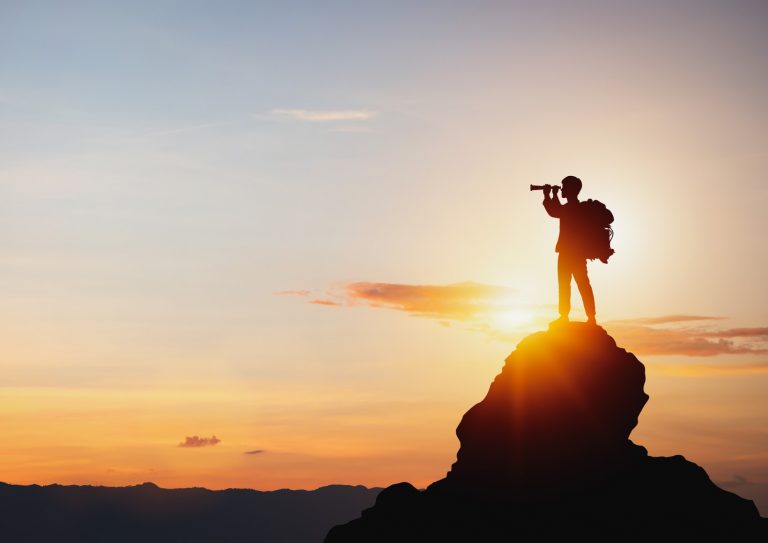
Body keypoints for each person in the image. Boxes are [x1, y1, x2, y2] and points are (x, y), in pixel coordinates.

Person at [542, 175, 597, 325]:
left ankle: (575, 316)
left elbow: (555, 211)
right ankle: (587, 316)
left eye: (564, 187)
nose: (562, 189)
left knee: (576, 284)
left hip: (570, 253)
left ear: (572, 190)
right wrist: (551, 195)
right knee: (577, 283)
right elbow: (557, 210)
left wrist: (548, 195)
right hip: (573, 253)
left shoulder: (574, 208)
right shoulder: (575, 208)